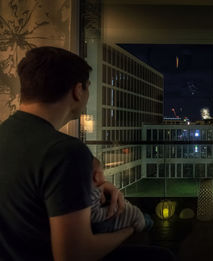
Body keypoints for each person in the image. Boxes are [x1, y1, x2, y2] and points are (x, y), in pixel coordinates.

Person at [0, 46, 133, 260]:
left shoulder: (6, 134)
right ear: (78, 90)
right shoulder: (66, 152)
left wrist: (87, 188)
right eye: (88, 87)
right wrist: (131, 229)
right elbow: (74, 255)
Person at [91, 157, 153, 234]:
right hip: (133, 220)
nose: (105, 178)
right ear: (96, 177)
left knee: (146, 218)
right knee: (147, 222)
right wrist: (100, 189)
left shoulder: (93, 195)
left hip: (131, 217)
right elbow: (95, 215)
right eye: (103, 173)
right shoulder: (93, 194)